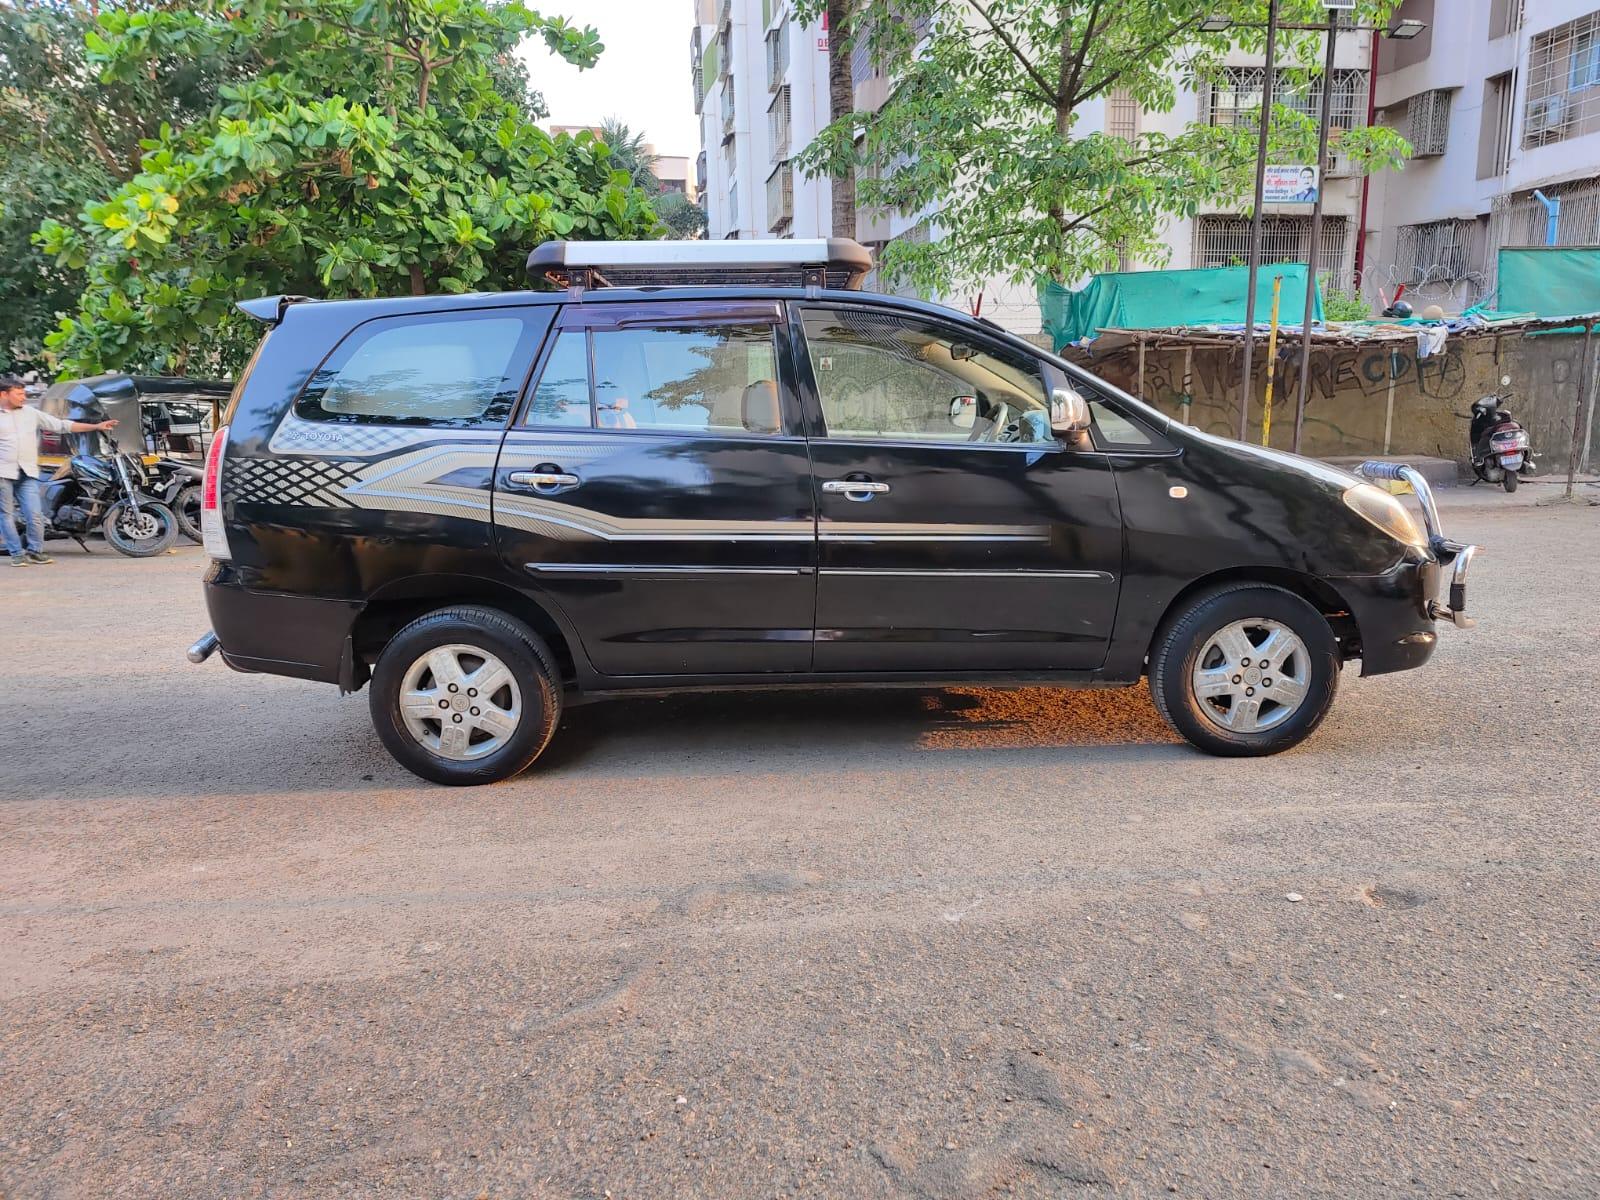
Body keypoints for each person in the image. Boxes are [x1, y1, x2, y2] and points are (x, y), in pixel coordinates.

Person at [0, 374, 118, 566]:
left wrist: (96, 426)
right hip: (3, 473)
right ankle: (16, 554)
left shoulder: (30, 413)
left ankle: (35, 551)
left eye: (23, 393)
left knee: (35, 515)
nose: (23, 397)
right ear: (4, 394)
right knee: (5, 515)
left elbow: (63, 426)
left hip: (27, 472)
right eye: (19, 393)